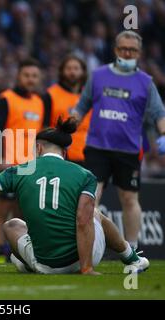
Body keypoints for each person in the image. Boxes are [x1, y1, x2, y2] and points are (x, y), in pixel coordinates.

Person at [0, 117, 149, 275]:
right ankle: (131, 257)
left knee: (12, 224)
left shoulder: (21, 171)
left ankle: (27, 262)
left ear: (38, 148)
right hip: (82, 260)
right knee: (95, 213)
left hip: (45, 265)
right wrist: (86, 269)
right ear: (65, 151)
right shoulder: (83, 174)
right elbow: (83, 221)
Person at [72, 30, 165, 250]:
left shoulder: (146, 82)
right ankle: (89, 247)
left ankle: (132, 250)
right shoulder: (98, 75)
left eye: (132, 50)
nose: (127, 52)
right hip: (97, 147)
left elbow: (159, 114)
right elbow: (81, 107)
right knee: (91, 198)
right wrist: (70, 122)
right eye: (123, 48)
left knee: (129, 200)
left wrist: (164, 134)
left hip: (128, 151)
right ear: (116, 50)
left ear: (139, 53)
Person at [0, 58, 45, 262]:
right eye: (26, 75)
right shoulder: (5, 98)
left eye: (34, 76)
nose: (30, 79)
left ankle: (18, 253)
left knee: (22, 213)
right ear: (18, 76)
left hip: (31, 165)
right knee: (2, 211)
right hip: (10, 165)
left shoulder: (40, 102)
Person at [44, 54, 90, 165]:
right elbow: (44, 126)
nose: (72, 72)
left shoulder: (90, 97)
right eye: (68, 68)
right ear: (62, 71)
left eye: (76, 68)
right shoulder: (50, 94)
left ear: (83, 72)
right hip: (60, 156)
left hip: (87, 155)